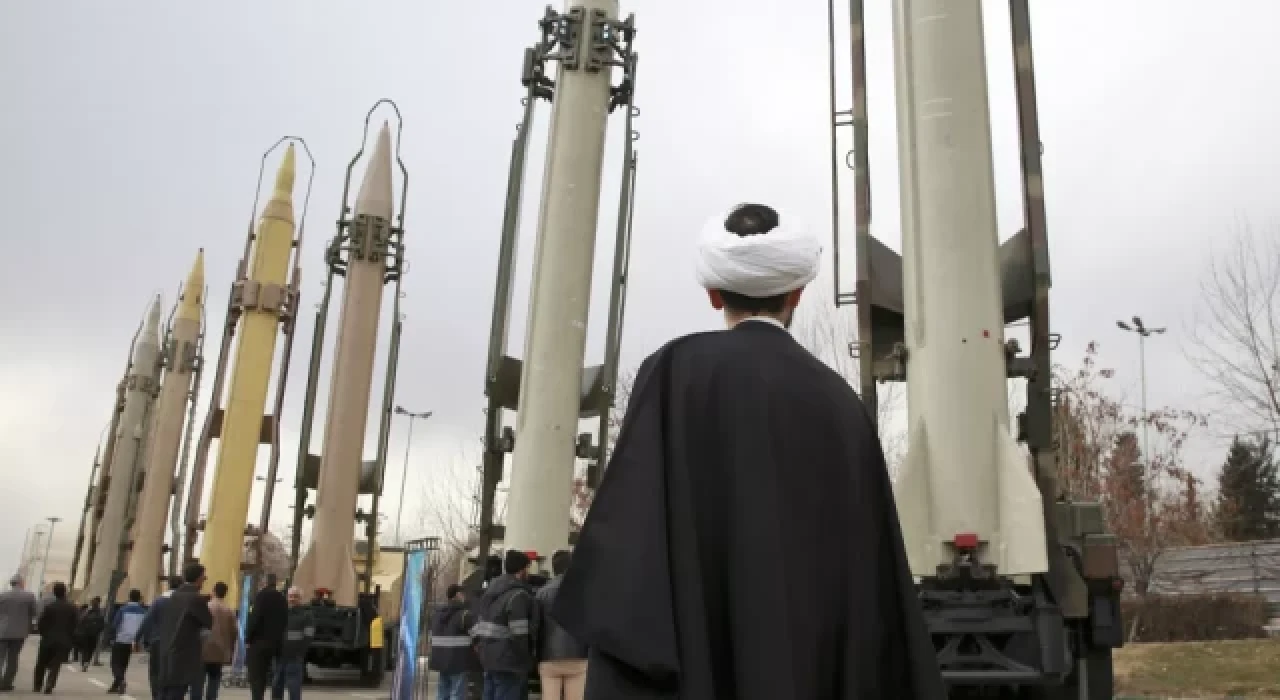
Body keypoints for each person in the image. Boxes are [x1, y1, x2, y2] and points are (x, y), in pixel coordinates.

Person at [553, 203, 946, 699]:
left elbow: (632, 549)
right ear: (797, 293)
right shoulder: (841, 403)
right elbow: (872, 584)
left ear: (714, 294)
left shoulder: (673, 374)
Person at [472, 550, 537, 700]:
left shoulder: (491, 592)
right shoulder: (518, 595)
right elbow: (520, 633)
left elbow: (479, 624)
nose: (528, 572)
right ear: (521, 570)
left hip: (488, 657)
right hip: (508, 661)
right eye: (527, 568)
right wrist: (528, 660)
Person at [154, 563, 213, 700]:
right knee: (176, 693)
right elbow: (208, 622)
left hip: (167, 651)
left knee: (164, 692)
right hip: (184, 655)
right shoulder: (196, 598)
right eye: (204, 577)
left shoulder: (174, 596)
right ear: (198, 578)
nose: (204, 580)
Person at [535, 551, 587, 700]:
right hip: (578, 655)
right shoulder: (584, 591)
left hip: (548, 656)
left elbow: (536, 625)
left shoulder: (542, 592)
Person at [138, 575, 184, 700]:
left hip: (158, 642)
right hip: (178, 643)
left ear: (169, 585)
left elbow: (147, 621)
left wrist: (138, 638)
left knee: (155, 671)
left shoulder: (158, 601)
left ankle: (157, 695)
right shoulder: (183, 602)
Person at [245, 574, 288, 700]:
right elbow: (285, 620)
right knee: (274, 675)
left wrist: (248, 638)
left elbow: (254, 619)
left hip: (259, 643)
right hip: (276, 643)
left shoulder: (261, 596)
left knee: (257, 676)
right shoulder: (282, 598)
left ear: (264, 583)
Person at [428, 585, 475, 700]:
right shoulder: (465, 615)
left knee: (442, 693)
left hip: (441, 661)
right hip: (458, 661)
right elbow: (477, 635)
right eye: (463, 594)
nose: (464, 597)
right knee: (457, 694)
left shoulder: (437, 614)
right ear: (458, 595)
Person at [193, 582, 237, 700]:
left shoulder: (205, 607)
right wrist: (230, 649)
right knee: (214, 681)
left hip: (202, 649)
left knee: (198, 682)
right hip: (219, 651)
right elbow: (234, 632)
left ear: (213, 591)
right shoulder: (229, 610)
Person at [33, 582, 78, 694]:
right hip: (63, 640)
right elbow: (75, 624)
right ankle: (50, 684)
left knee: (41, 663)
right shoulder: (72, 607)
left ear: (54, 592)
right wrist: (70, 638)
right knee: (55, 664)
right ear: (65, 592)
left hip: (48, 639)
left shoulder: (50, 607)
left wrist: (44, 634)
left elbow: (42, 623)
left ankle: (37, 685)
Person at [272, 587, 314, 700]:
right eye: (290, 596)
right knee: (276, 686)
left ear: (301, 599)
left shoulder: (306, 615)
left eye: (296, 596)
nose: (292, 599)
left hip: (294, 658)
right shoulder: (281, 613)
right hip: (280, 656)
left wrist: (300, 653)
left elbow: (308, 637)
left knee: (294, 688)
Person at [0, 574, 38, 691]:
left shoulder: (3, 595)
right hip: (19, 632)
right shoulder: (29, 596)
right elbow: (34, 613)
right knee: (13, 659)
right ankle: (6, 683)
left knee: (0, 658)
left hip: (2, 631)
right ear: (21, 583)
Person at [108, 589, 147, 694]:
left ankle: (121, 680)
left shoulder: (123, 609)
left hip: (121, 639)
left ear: (129, 597)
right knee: (124, 663)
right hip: (133, 641)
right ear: (139, 598)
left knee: (115, 663)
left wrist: (111, 637)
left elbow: (115, 624)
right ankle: (116, 685)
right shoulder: (143, 611)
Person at [74, 596, 106, 671]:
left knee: (85, 649)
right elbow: (102, 625)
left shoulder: (87, 612)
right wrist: (98, 631)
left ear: (92, 603)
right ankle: (87, 662)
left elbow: (81, 621)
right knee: (91, 649)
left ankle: (84, 663)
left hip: (85, 634)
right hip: (94, 635)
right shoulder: (101, 613)